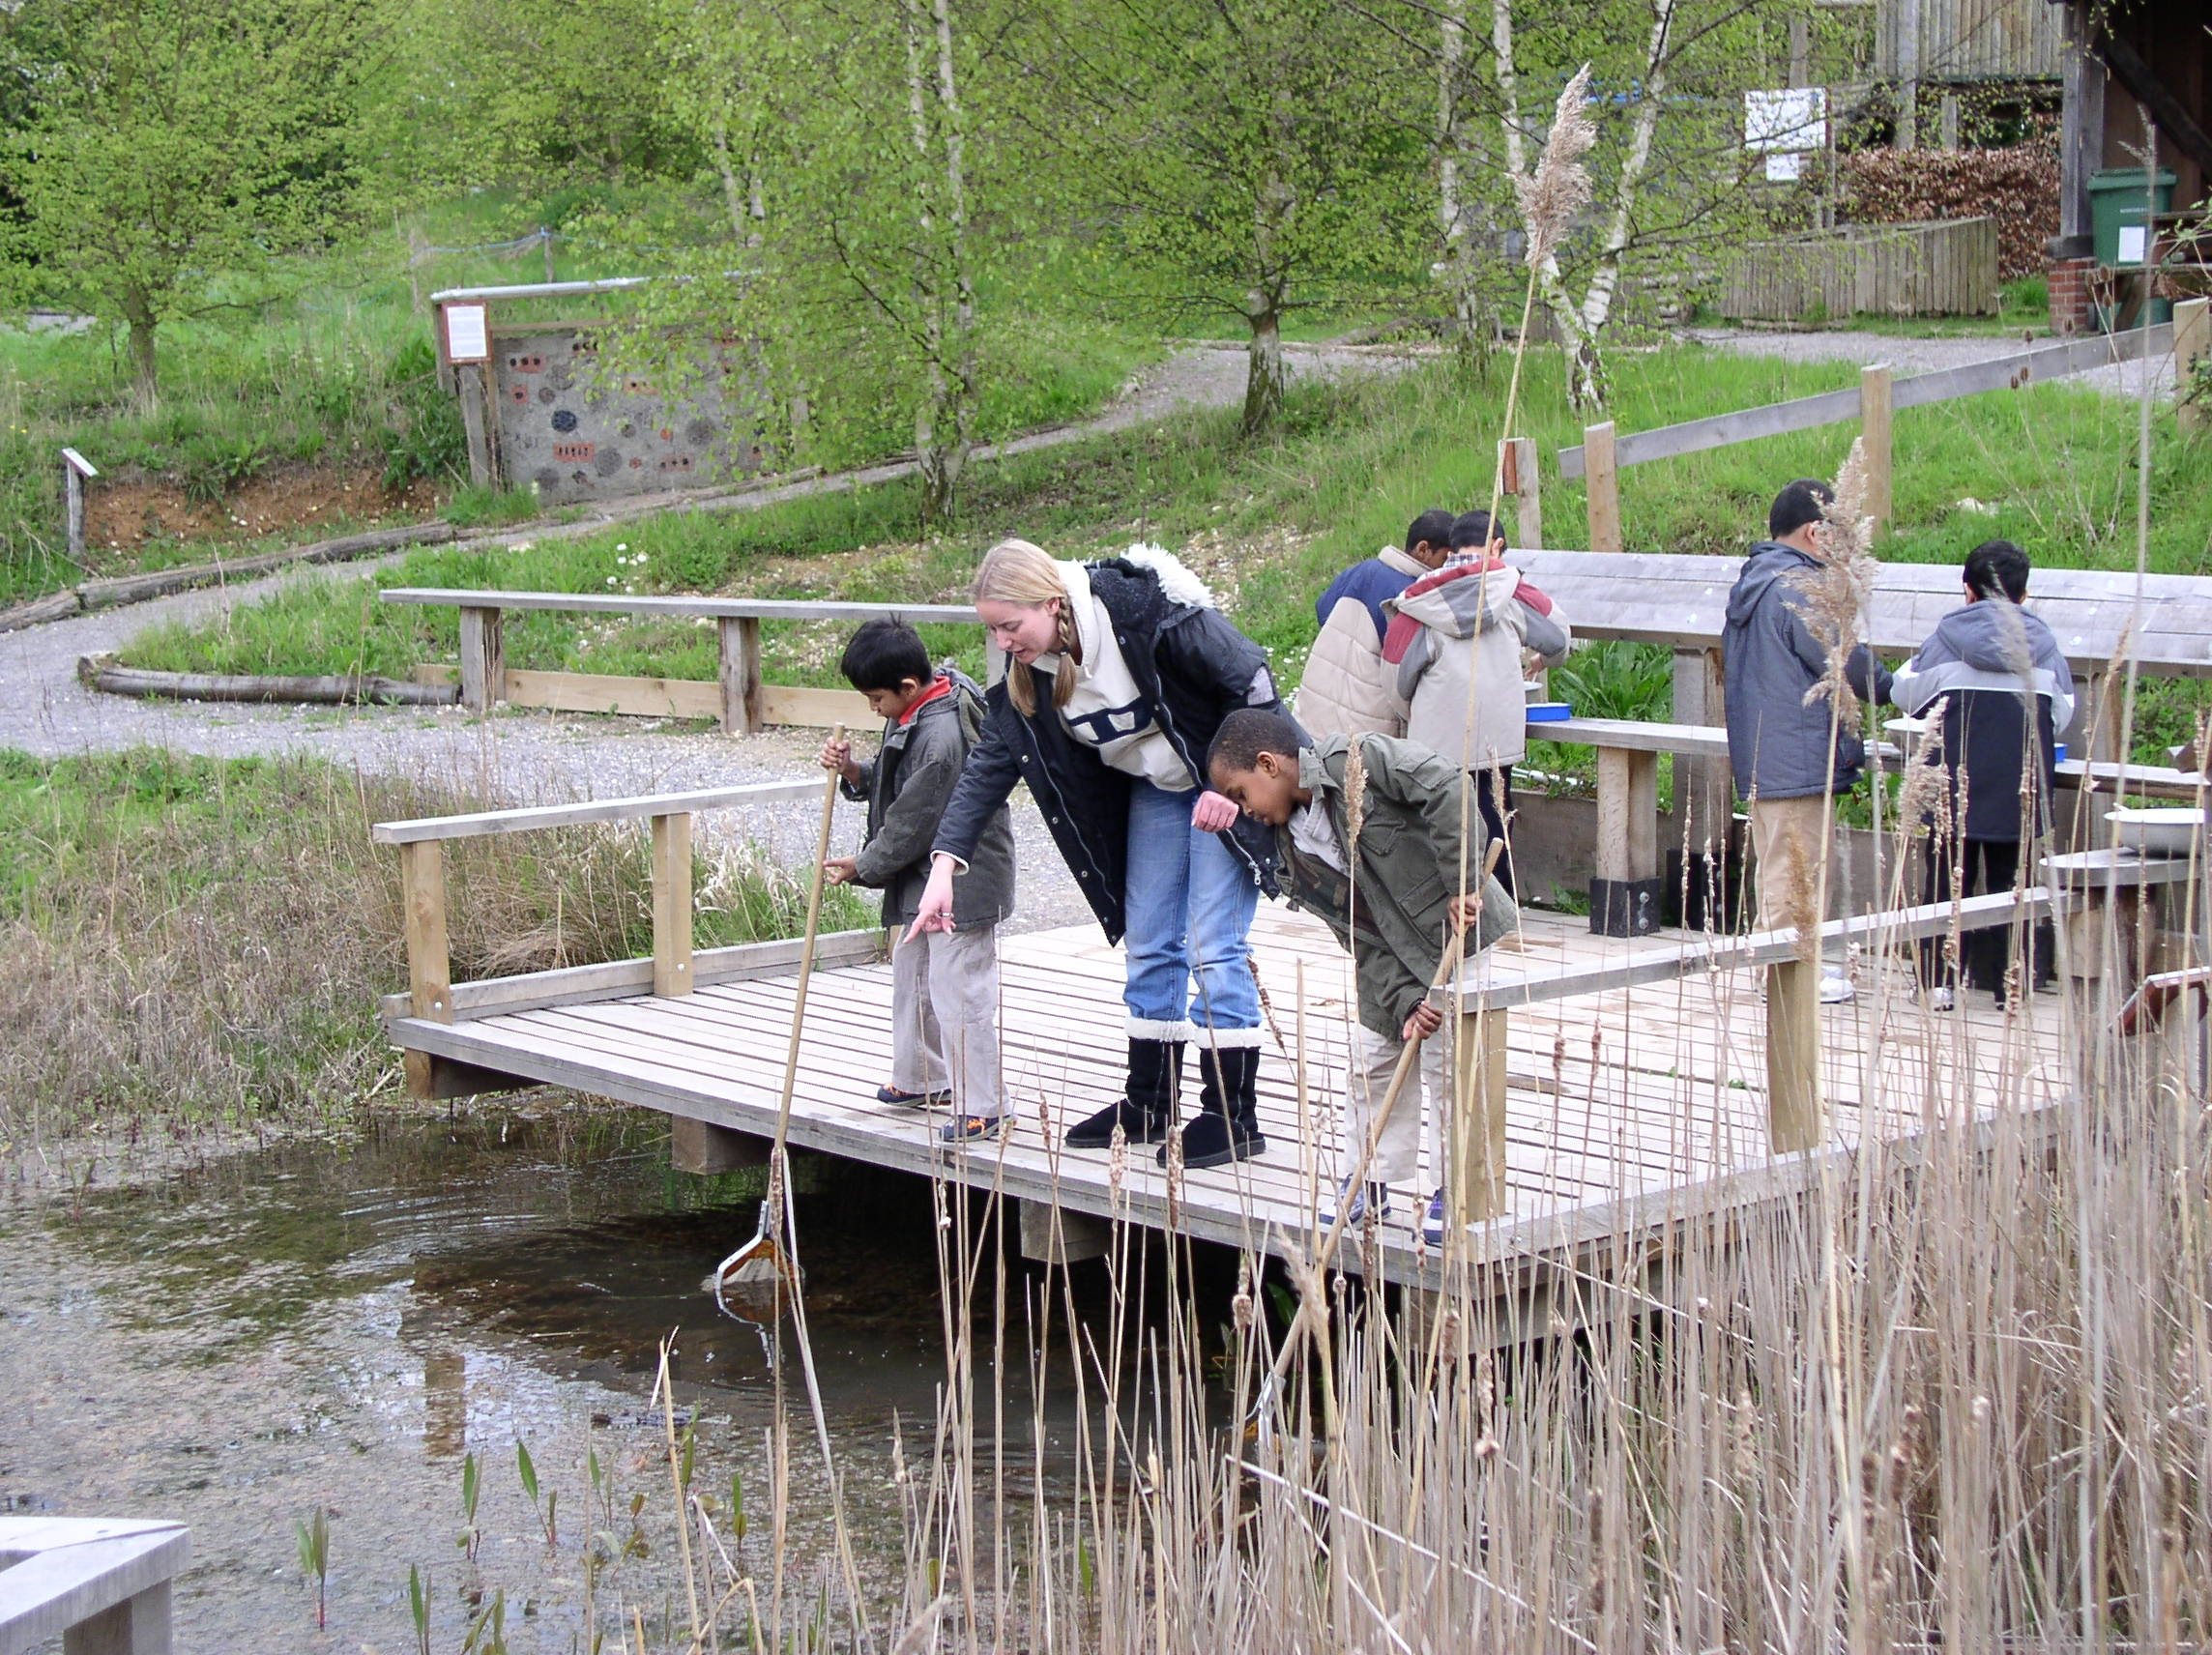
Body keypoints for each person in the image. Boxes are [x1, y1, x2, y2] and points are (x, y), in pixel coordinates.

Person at [914, 538, 1287, 1169]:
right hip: (1157, 792)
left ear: (1053, 603)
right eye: (994, 630)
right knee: (1149, 942)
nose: (1004, 641)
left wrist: (1236, 779)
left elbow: (1252, 681)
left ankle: (1231, 1117)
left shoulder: (1146, 613)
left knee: (1212, 945)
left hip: (1226, 786)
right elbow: (989, 768)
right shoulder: (1031, 673)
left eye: (1011, 626)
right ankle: (1149, 1103)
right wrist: (944, 865)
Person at [1206, 708, 1516, 1245]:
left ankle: (1456, 1186)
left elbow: (1449, 788)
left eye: (1240, 794)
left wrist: (1461, 881)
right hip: (1386, 961)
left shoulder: (1362, 759)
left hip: (1455, 934)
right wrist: (1402, 1001)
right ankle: (1369, 1179)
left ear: (1268, 765)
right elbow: (1357, 937)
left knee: (1451, 1064)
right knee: (1371, 1062)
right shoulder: (1292, 854)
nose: (1243, 811)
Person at [820, 620, 1015, 1144]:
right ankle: (922, 1078)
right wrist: (855, 772)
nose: (872, 709)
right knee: (913, 974)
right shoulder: (915, 709)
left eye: (875, 698)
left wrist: (863, 866)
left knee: (960, 990)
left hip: (964, 882)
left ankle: (984, 1105)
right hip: (921, 878)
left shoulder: (942, 739)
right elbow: (893, 784)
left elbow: (911, 822)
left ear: (908, 685)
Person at [1723, 479, 1894, 1002]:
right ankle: (1787, 978)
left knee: (1778, 867)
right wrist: (1893, 686)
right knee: (1796, 873)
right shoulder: (1798, 586)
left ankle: (1783, 969)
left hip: (1764, 752)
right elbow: (1847, 661)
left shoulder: (1756, 582)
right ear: (1817, 530)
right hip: (1796, 756)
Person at [1890, 538, 2074, 1008]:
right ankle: (2006, 986)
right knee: (2011, 883)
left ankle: (1938, 984)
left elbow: (1904, 694)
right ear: (2024, 596)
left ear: (1967, 590)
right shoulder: (2046, 644)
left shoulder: (1946, 638)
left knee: (1945, 883)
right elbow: (2064, 713)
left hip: (1952, 787)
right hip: (2020, 790)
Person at [1382, 508, 1572, 899]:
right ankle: (1497, 904)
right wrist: (1542, 661)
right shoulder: (1511, 590)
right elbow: (1559, 638)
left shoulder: (1420, 598)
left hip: (1435, 742)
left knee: (1441, 820)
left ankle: (1444, 903)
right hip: (1495, 739)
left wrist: (1415, 715)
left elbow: (1396, 678)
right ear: (1499, 545)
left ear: (1450, 548)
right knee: (1494, 815)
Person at [1293, 509, 1454, 740]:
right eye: (1446, 558)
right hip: (1366, 727)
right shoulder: (1412, 596)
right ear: (1423, 549)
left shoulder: (1363, 569)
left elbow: (1322, 610)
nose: (1449, 566)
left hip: (1314, 711)